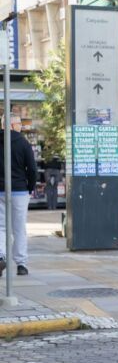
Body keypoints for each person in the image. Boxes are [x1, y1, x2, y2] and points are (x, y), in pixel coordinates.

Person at [0, 115, 37, 277]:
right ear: (12, 125)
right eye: (20, 124)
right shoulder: (23, 143)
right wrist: (30, 188)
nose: (21, 127)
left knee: (1, 226)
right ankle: (21, 264)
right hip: (20, 191)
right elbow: (32, 169)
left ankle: (1, 255)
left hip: (0, 190)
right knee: (19, 228)